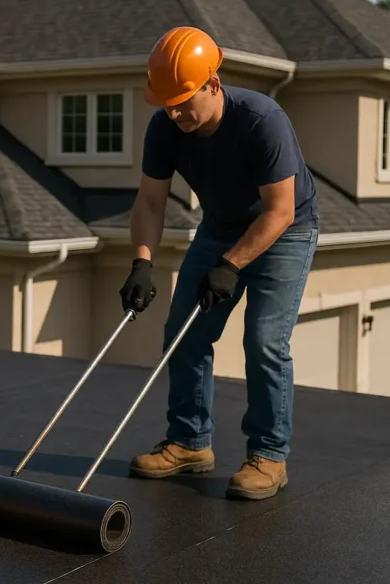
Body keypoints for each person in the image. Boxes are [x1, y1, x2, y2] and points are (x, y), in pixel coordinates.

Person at [119, 26, 319, 501]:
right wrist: (141, 263)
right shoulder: (167, 126)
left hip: (286, 230)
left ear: (213, 82)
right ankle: (190, 443)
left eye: (184, 99)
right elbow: (150, 202)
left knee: (265, 341)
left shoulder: (261, 120)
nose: (174, 111)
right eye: (166, 101)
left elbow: (280, 210)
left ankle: (269, 455)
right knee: (183, 332)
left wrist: (230, 265)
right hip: (221, 226)